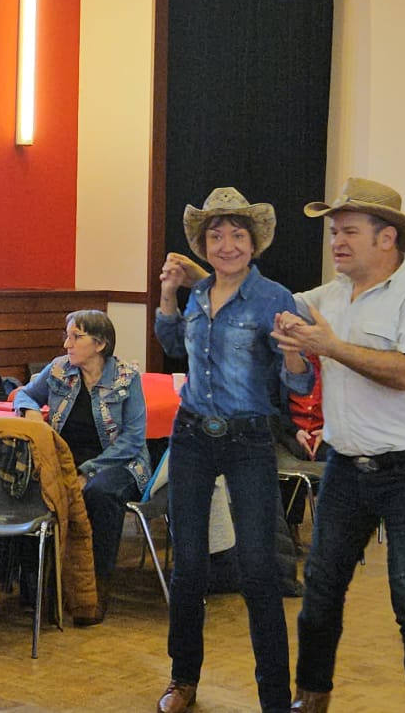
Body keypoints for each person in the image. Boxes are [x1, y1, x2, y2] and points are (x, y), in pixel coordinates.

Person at [273, 177, 405, 713]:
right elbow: (265, 305)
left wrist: (331, 346)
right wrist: (205, 277)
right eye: (334, 232)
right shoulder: (326, 297)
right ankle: (311, 697)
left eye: (349, 231)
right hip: (346, 468)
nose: (336, 242)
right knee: (320, 592)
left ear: (387, 237)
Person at [153, 187, 313, 713]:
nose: (227, 245)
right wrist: (168, 295)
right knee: (188, 566)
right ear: (204, 244)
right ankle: (183, 679)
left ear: (254, 242)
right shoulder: (199, 295)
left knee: (259, 570)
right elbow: (172, 344)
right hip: (192, 435)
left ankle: (274, 697)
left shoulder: (274, 298)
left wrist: (295, 352)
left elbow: (298, 383)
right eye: (216, 235)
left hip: (249, 439)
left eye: (237, 235)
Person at [11, 308, 148, 624]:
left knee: (99, 494)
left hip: (118, 462)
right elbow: (24, 395)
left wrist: (88, 470)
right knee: (32, 487)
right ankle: (41, 587)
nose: (66, 344)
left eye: (76, 337)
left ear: (100, 344)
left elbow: (133, 440)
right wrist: (31, 411)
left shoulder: (127, 378)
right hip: (66, 461)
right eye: (67, 335)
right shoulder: (59, 369)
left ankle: (95, 591)